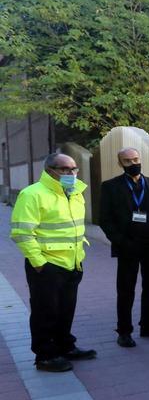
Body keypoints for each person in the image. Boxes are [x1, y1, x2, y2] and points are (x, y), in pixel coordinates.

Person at [9, 153, 96, 372]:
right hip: (47, 265)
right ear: (50, 171)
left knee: (66, 309)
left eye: (74, 169)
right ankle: (45, 356)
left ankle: (65, 346)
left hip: (73, 262)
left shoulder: (75, 193)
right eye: (65, 169)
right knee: (45, 312)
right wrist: (39, 264)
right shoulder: (33, 194)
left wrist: (79, 258)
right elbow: (21, 233)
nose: (72, 174)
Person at [98, 147, 149, 348]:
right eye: (127, 161)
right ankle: (124, 331)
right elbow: (105, 220)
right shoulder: (110, 187)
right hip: (128, 246)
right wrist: (122, 242)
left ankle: (148, 325)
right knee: (126, 290)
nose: (133, 164)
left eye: (135, 159)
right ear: (120, 164)